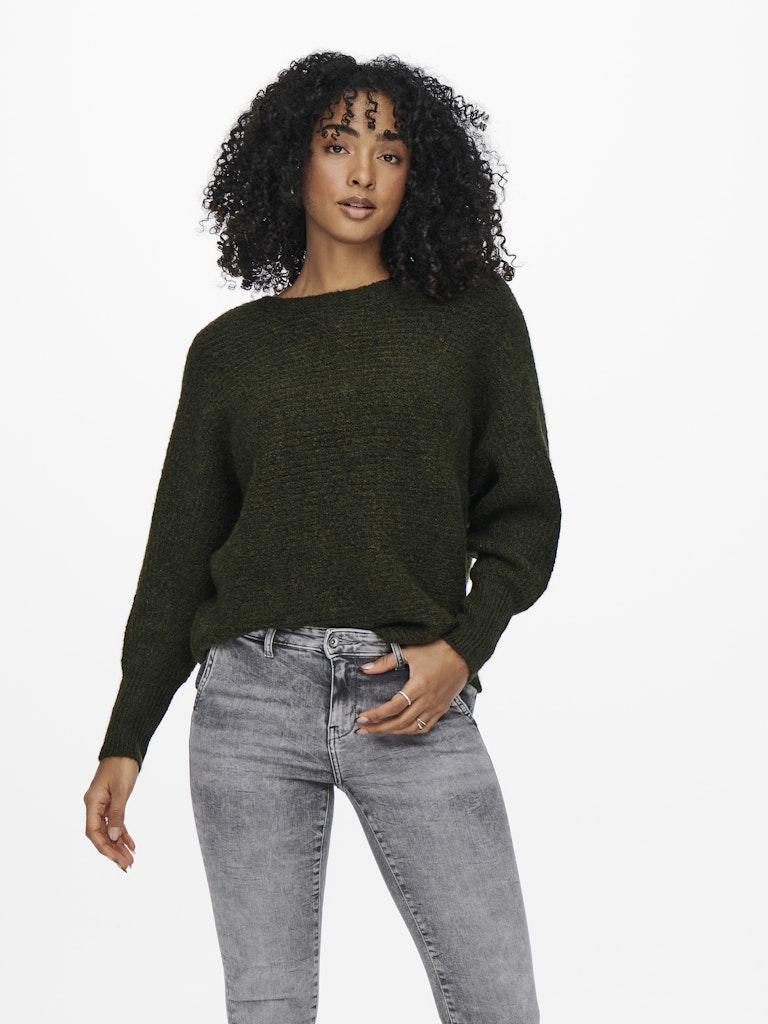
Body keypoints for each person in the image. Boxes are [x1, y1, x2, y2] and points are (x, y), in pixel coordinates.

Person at [84, 51, 562, 1024]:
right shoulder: (230, 354)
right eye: (338, 144)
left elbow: (525, 513)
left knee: (498, 1001)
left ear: (419, 173)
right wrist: (125, 737)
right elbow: (178, 561)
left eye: (391, 152)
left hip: (410, 693)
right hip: (248, 703)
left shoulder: (471, 319)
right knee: (267, 1009)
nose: (363, 173)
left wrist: (464, 647)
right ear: (290, 160)